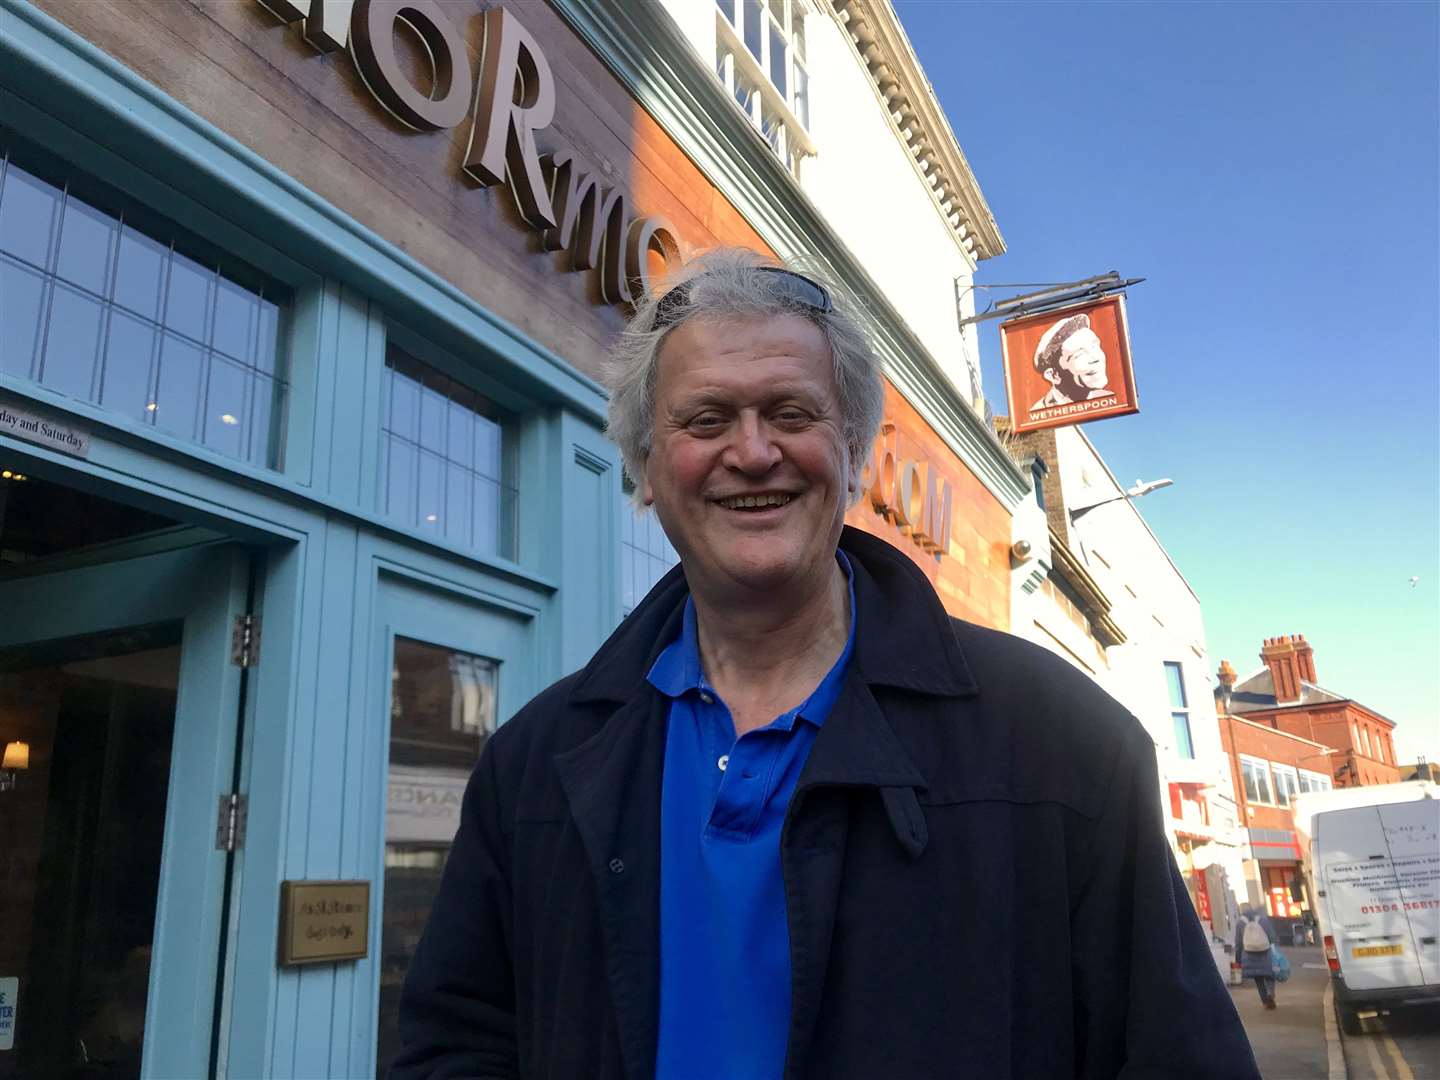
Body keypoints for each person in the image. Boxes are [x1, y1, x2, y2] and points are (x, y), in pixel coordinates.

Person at [392, 249, 1258, 1079]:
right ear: (644, 468)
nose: (754, 450)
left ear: (852, 457)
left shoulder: (1063, 743)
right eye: (706, 419)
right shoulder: (532, 764)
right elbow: (457, 1043)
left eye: (792, 414)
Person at [1029, 310, 1116, 410]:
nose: (1096, 358)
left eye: (1094, 347)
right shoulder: (1040, 413)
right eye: (1080, 354)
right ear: (1053, 375)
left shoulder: (1106, 397)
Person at [1235, 904, 1281, 1009]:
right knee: (1269, 974)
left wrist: (1238, 959)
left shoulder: (1240, 923)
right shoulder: (1262, 920)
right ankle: (1270, 992)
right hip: (1265, 951)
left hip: (1249, 953)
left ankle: (1265, 1002)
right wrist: (1275, 946)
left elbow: (1238, 943)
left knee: (1258, 978)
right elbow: (1271, 936)